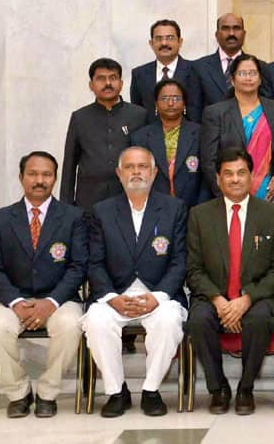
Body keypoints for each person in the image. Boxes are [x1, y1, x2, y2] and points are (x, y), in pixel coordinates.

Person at [82, 147, 188, 417]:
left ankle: (151, 391)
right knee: (96, 321)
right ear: (119, 173)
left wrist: (159, 296)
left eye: (143, 166)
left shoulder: (174, 208)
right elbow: (94, 262)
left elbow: (180, 260)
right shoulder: (101, 211)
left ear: (154, 173)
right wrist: (111, 298)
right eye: (130, 167)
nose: (137, 172)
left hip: (159, 294)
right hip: (115, 294)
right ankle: (117, 392)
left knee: (168, 321)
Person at [0, 151, 88, 418]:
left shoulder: (74, 217)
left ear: (54, 179)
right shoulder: (2, 218)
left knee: (70, 325)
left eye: (46, 175)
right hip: (13, 300)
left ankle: (48, 393)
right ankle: (18, 393)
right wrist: (16, 302)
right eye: (33, 174)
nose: (39, 180)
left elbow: (79, 266)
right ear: (21, 178)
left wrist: (50, 303)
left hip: (59, 299)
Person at [185, 147, 274, 415]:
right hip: (213, 295)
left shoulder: (273, 215)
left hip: (257, 296)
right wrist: (219, 301)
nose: (235, 179)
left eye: (241, 173)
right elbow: (194, 269)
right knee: (198, 319)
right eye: (228, 174)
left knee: (259, 317)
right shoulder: (199, 215)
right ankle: (218, 388)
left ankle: (245, 387)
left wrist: (246, 299)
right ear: (218, 179)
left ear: (251, 176)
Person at [200, 55, 274, 205]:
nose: (248, 78)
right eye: (242, 73)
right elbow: (209, 161)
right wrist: (225, 195)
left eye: (253, 73)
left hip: (269, 191)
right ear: (232, 80)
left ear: (260, 79)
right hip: (230, 190)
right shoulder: (215, 113)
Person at [62, 58, 148, 209]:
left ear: (121, 83)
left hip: (129, 200)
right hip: (88, 201)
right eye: (101, 78)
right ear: (91, 85)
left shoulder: (139, 115)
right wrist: (66, 207)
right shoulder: (80, 117)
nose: (108, 83)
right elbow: (69, 165)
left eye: (113, 78)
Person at [130, 79, 209, 209]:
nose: (171, 103)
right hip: (153, 208)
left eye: (176, 98)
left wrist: (200, 208)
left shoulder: (200, 133)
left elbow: (207, 176)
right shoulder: (140, 137)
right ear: (156, 104)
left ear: (184, 104)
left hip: (194, 208)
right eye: (165, 98)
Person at [130, 19, 201, 124]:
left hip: (188, 136)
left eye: (170, 38)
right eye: (159, 39)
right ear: (151, 43)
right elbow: (137, 112)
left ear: (180, 42)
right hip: (149, 137)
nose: (164, 43)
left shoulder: (196, 70)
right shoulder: (139, 74)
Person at [193, 13, 249, 113]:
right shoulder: (199, 67)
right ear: (217, 34)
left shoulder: (258, 68)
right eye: (225, 28)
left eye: (236, 28)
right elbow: (194, 111)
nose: (231, 33)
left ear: (244, 34)